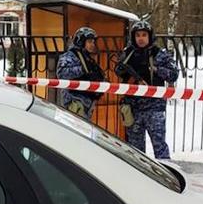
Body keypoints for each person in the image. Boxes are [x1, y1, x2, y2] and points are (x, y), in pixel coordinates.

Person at [114, 19, 179, 160]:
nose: (141, 38)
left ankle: (166, 174)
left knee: (159, 146)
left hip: (154, 107)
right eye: (138, 35)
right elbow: (118, 71)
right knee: (135, 150)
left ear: (149, 36)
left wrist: (155, 69)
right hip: (133, 108)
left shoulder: (159, 54)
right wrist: (126, 70)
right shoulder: (129, 53)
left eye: (144, 35)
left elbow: (173, 74)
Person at [56, 26, 106, 120]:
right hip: (75, 102)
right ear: (81, 42)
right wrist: (82, 69)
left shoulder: (87, 58)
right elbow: (61, 73)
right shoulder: (70, 56)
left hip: (87, 104)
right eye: (89, 42)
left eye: (93, 42)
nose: (92, 45)